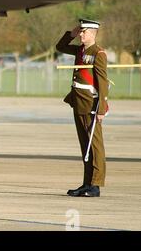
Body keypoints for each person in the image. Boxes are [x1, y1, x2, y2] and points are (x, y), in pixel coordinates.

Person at [56, 19, 108, 197]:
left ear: (92, 33)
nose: (81, 34)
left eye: (83, 31)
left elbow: (102, 82)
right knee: (85, 145)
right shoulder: (80, 50)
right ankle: (87, 183)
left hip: (91, 103)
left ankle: (95, 184)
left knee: (95, 146)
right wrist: (71, 33)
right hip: (78, 102)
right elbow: (60, 47)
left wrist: (101, 109)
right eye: (80, 31)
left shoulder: (98, 53)